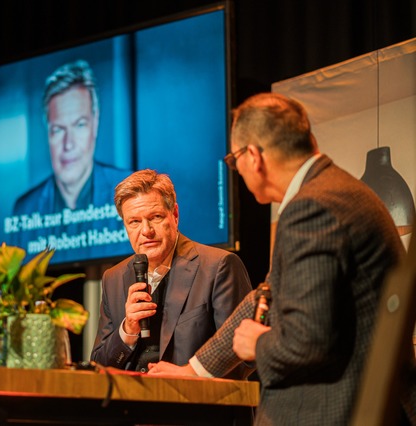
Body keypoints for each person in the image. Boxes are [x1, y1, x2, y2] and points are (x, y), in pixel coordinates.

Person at [147, 93, 416, 425]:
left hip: (343, 408)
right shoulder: (333, 190)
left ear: (254, 156)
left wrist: (258, 344)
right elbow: (266, 296)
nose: (238, 171)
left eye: (233, 160)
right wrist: (194, 369)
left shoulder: (312, 206)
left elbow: (310, 342)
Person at [90, 169, 253, 377]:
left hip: (193, 404)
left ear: (174, 215)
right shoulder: (113, 278)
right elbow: (98, 367)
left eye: (155, 217)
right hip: (131, 406)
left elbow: (243, 355)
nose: (146, 231)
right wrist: (127, 330)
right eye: (135, 222)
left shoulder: (218, 266)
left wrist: (191, 375)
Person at [10, 59, 132, 263]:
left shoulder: (131, 192)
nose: (68, 144)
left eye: (79, 125)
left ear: (96, 122)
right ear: (47, 132)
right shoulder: (25, 209)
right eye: (58, 130)